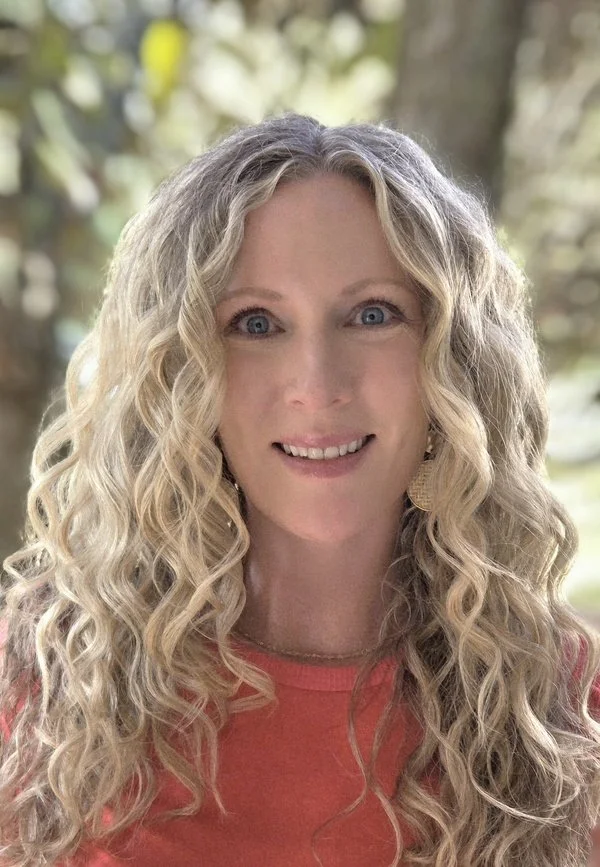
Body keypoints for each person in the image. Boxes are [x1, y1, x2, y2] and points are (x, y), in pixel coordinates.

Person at [0, 112, 599, 867]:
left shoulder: (566, 720)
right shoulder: (39, 691)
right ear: (181, 370)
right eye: (256, 322)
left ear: (454, 357)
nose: (317, 385)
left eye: (372, 314)